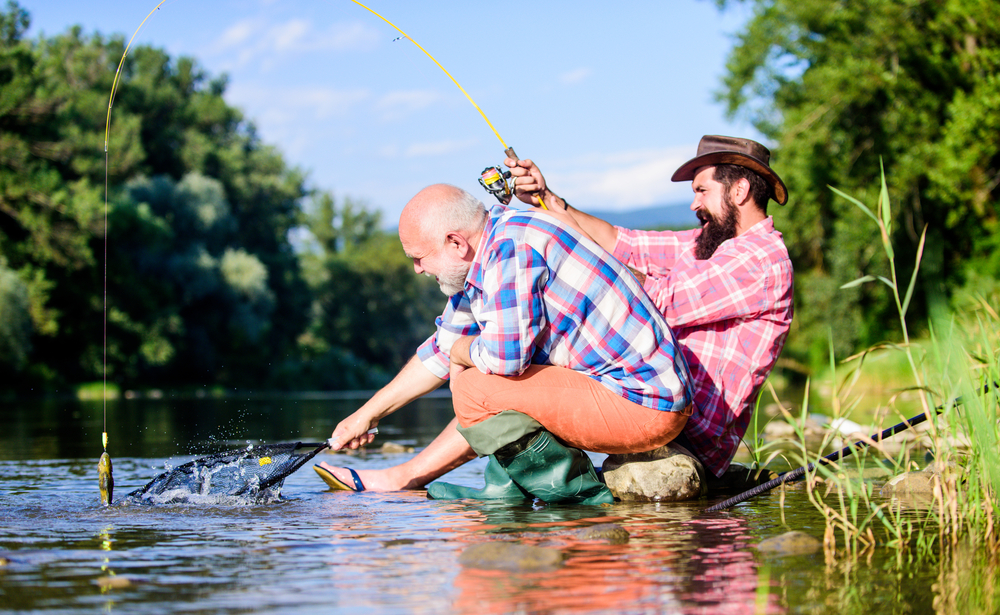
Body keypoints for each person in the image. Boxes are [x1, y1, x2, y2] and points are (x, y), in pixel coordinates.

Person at [318, 134, 793, 490]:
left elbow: (659, 298)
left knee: (486, 377)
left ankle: (580, 501)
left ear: (740, 191)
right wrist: (548, 203)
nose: (693, 203)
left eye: (702, 191)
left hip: (689, 421)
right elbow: (621, 243)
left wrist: (561, 255)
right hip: (638, 394)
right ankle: (424, 481)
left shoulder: (761, 261)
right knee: (490, 369)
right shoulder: (701, 247)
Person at [315, 183, 693, 502]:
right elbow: (438, 349)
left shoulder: (510, 250)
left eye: (419, 257)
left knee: (474, 386)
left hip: (642, 404)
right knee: (478, 383)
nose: (416, 269)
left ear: (454, 242)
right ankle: (407, 479)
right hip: (627, 394)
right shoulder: (489, 248)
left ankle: (577, 498)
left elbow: (503, 360)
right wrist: (366, 414)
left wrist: (461, 352)